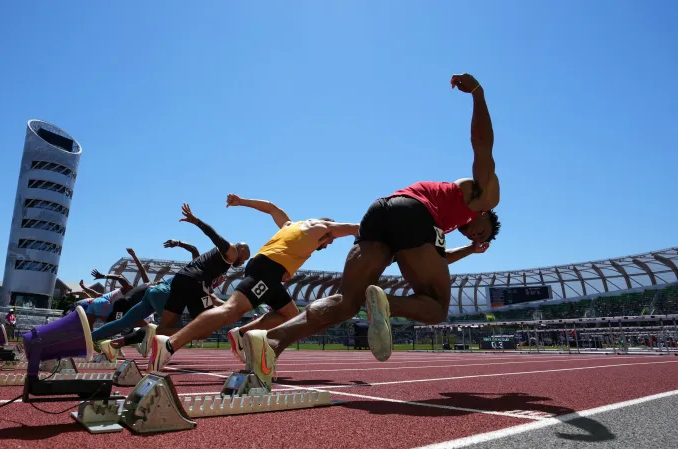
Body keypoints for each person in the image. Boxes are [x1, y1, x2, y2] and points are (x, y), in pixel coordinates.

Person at [241, 73, 502, 386]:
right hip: (414, 215)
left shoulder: (445, 218)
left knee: (345, 301)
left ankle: (269, 342)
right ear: (487, 215)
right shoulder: (484, 195)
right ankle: (383, 303)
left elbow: (430, 263)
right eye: (483, 233)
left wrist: (470, 250)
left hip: (381, 210)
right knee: (436, 309)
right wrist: (478, 93)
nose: (477, 237)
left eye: (479, 241)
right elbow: (482, 146)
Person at [149, 195, 359, 371]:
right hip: (267, 271)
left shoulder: (290, 225)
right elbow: (354, 227)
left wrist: (241, 201)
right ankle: (170, 344)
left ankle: (241, 334)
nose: (330, 243)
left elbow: (271, 208)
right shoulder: (323, 227)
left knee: (291, 316)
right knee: (231, 310)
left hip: (271, 274)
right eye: (331, 240)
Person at [91, 239, 226, 354]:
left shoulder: (203, 281)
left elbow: (210, 298)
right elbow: (213, 299)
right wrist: (231, 307)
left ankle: (90, 337)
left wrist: (177, 243)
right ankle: (150, 348)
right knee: (177, 330)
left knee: (122, 322)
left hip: (153, 292)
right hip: (164, 294)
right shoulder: (201, 273)